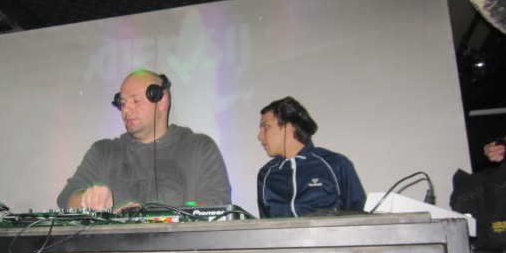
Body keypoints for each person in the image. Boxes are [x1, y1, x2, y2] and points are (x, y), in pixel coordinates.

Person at [57, 69, 231, 211]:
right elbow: (67, 197)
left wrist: (149, 216)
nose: (126, 110)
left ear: (161, 101)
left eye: (135, 101)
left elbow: (216, 203)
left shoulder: (199, 148)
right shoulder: (103, 152)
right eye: (123, 103)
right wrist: (87, 199)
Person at [256, 96, 366, 218]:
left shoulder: (335, 164)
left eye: (266, 127)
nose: (260, 136)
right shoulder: (266, 174)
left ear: (289, 126)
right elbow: (266, 225)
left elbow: (359, 218)